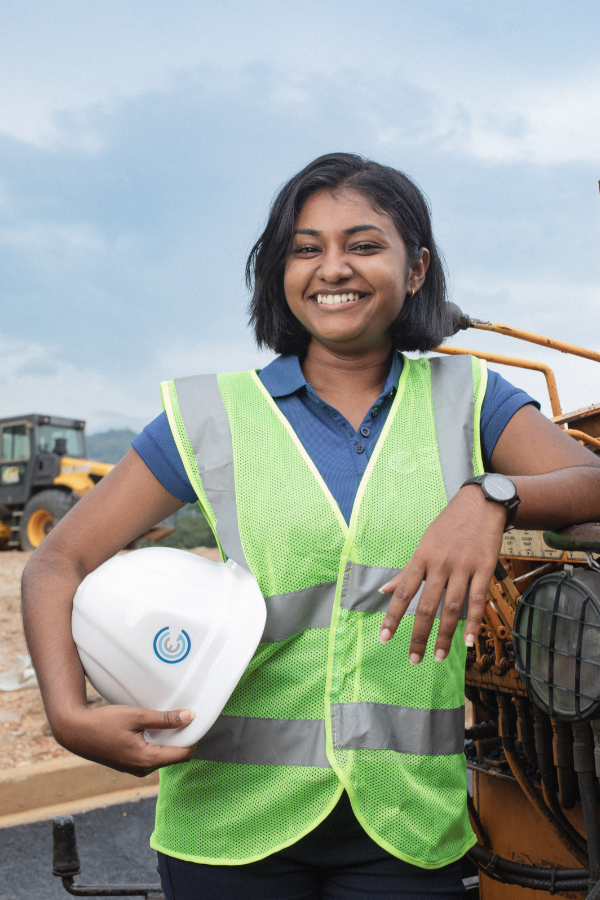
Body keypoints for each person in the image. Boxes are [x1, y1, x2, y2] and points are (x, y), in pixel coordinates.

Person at [22, 153, 600, 900]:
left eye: (364, 244)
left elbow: (591, 489)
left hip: (405, 829)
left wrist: (493, 495)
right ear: (279, 273)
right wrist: (67, 716)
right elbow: (56, 561)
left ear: (416, 268)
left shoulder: (470, 396)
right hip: (230, 830)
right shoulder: (212, 415)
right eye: (306, 248)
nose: (334, 268)